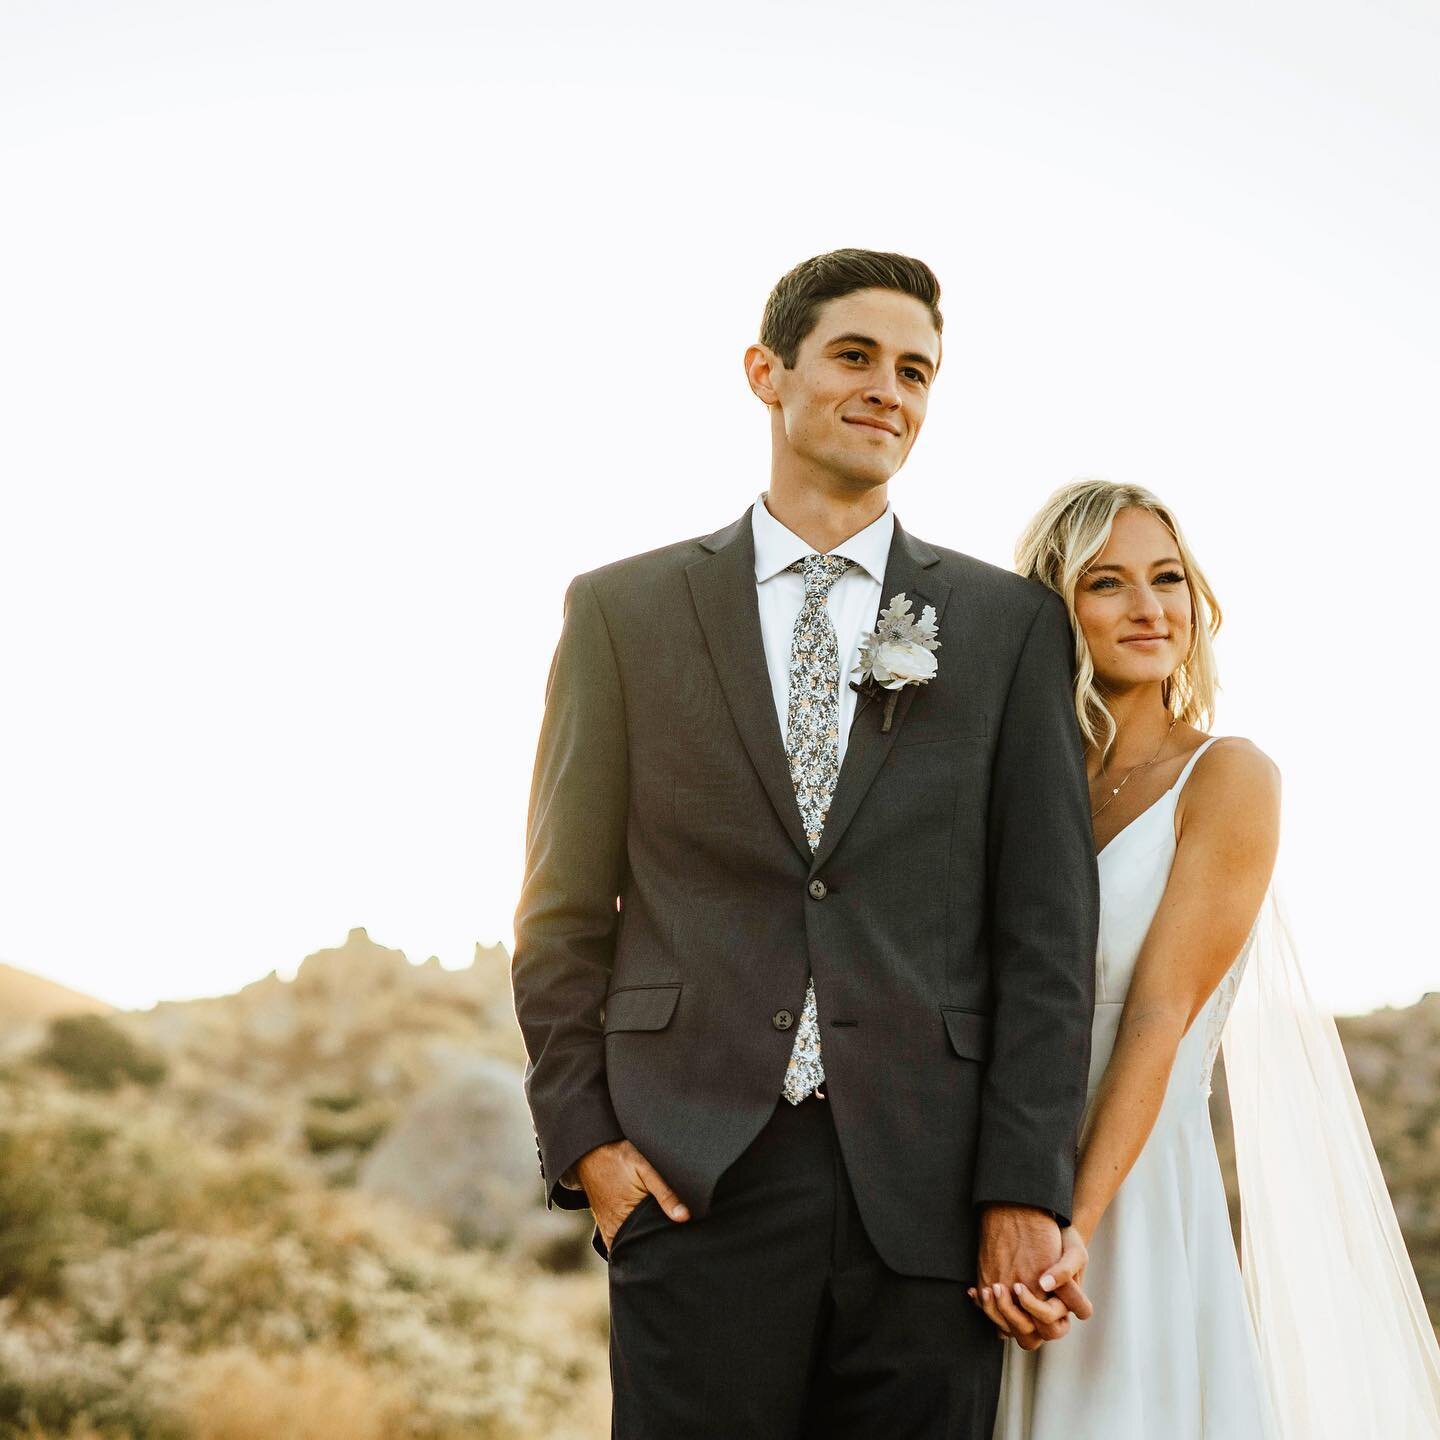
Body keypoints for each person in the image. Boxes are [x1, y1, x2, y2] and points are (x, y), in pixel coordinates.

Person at [510, 249, 1100, 1438]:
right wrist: (593, 1152)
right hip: (695, 1182)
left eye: (917, 370)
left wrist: (1020, 1188)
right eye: (855, 356)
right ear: (764, 373)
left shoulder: (1006, 628)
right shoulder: (623, 612)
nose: (891, 388)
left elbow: (1047, 934)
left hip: (929, 1197)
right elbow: (561, 911)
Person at [986, 479, 1440, 1439]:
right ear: (1054, 607)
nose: (1150, 610)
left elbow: (1158, 1016)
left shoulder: (1226, 776)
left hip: (1131, 1192)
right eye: (1108, 584)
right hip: (991, 1182)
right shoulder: (1015, 782)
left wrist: (1074, 1226)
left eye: (1168, 579)